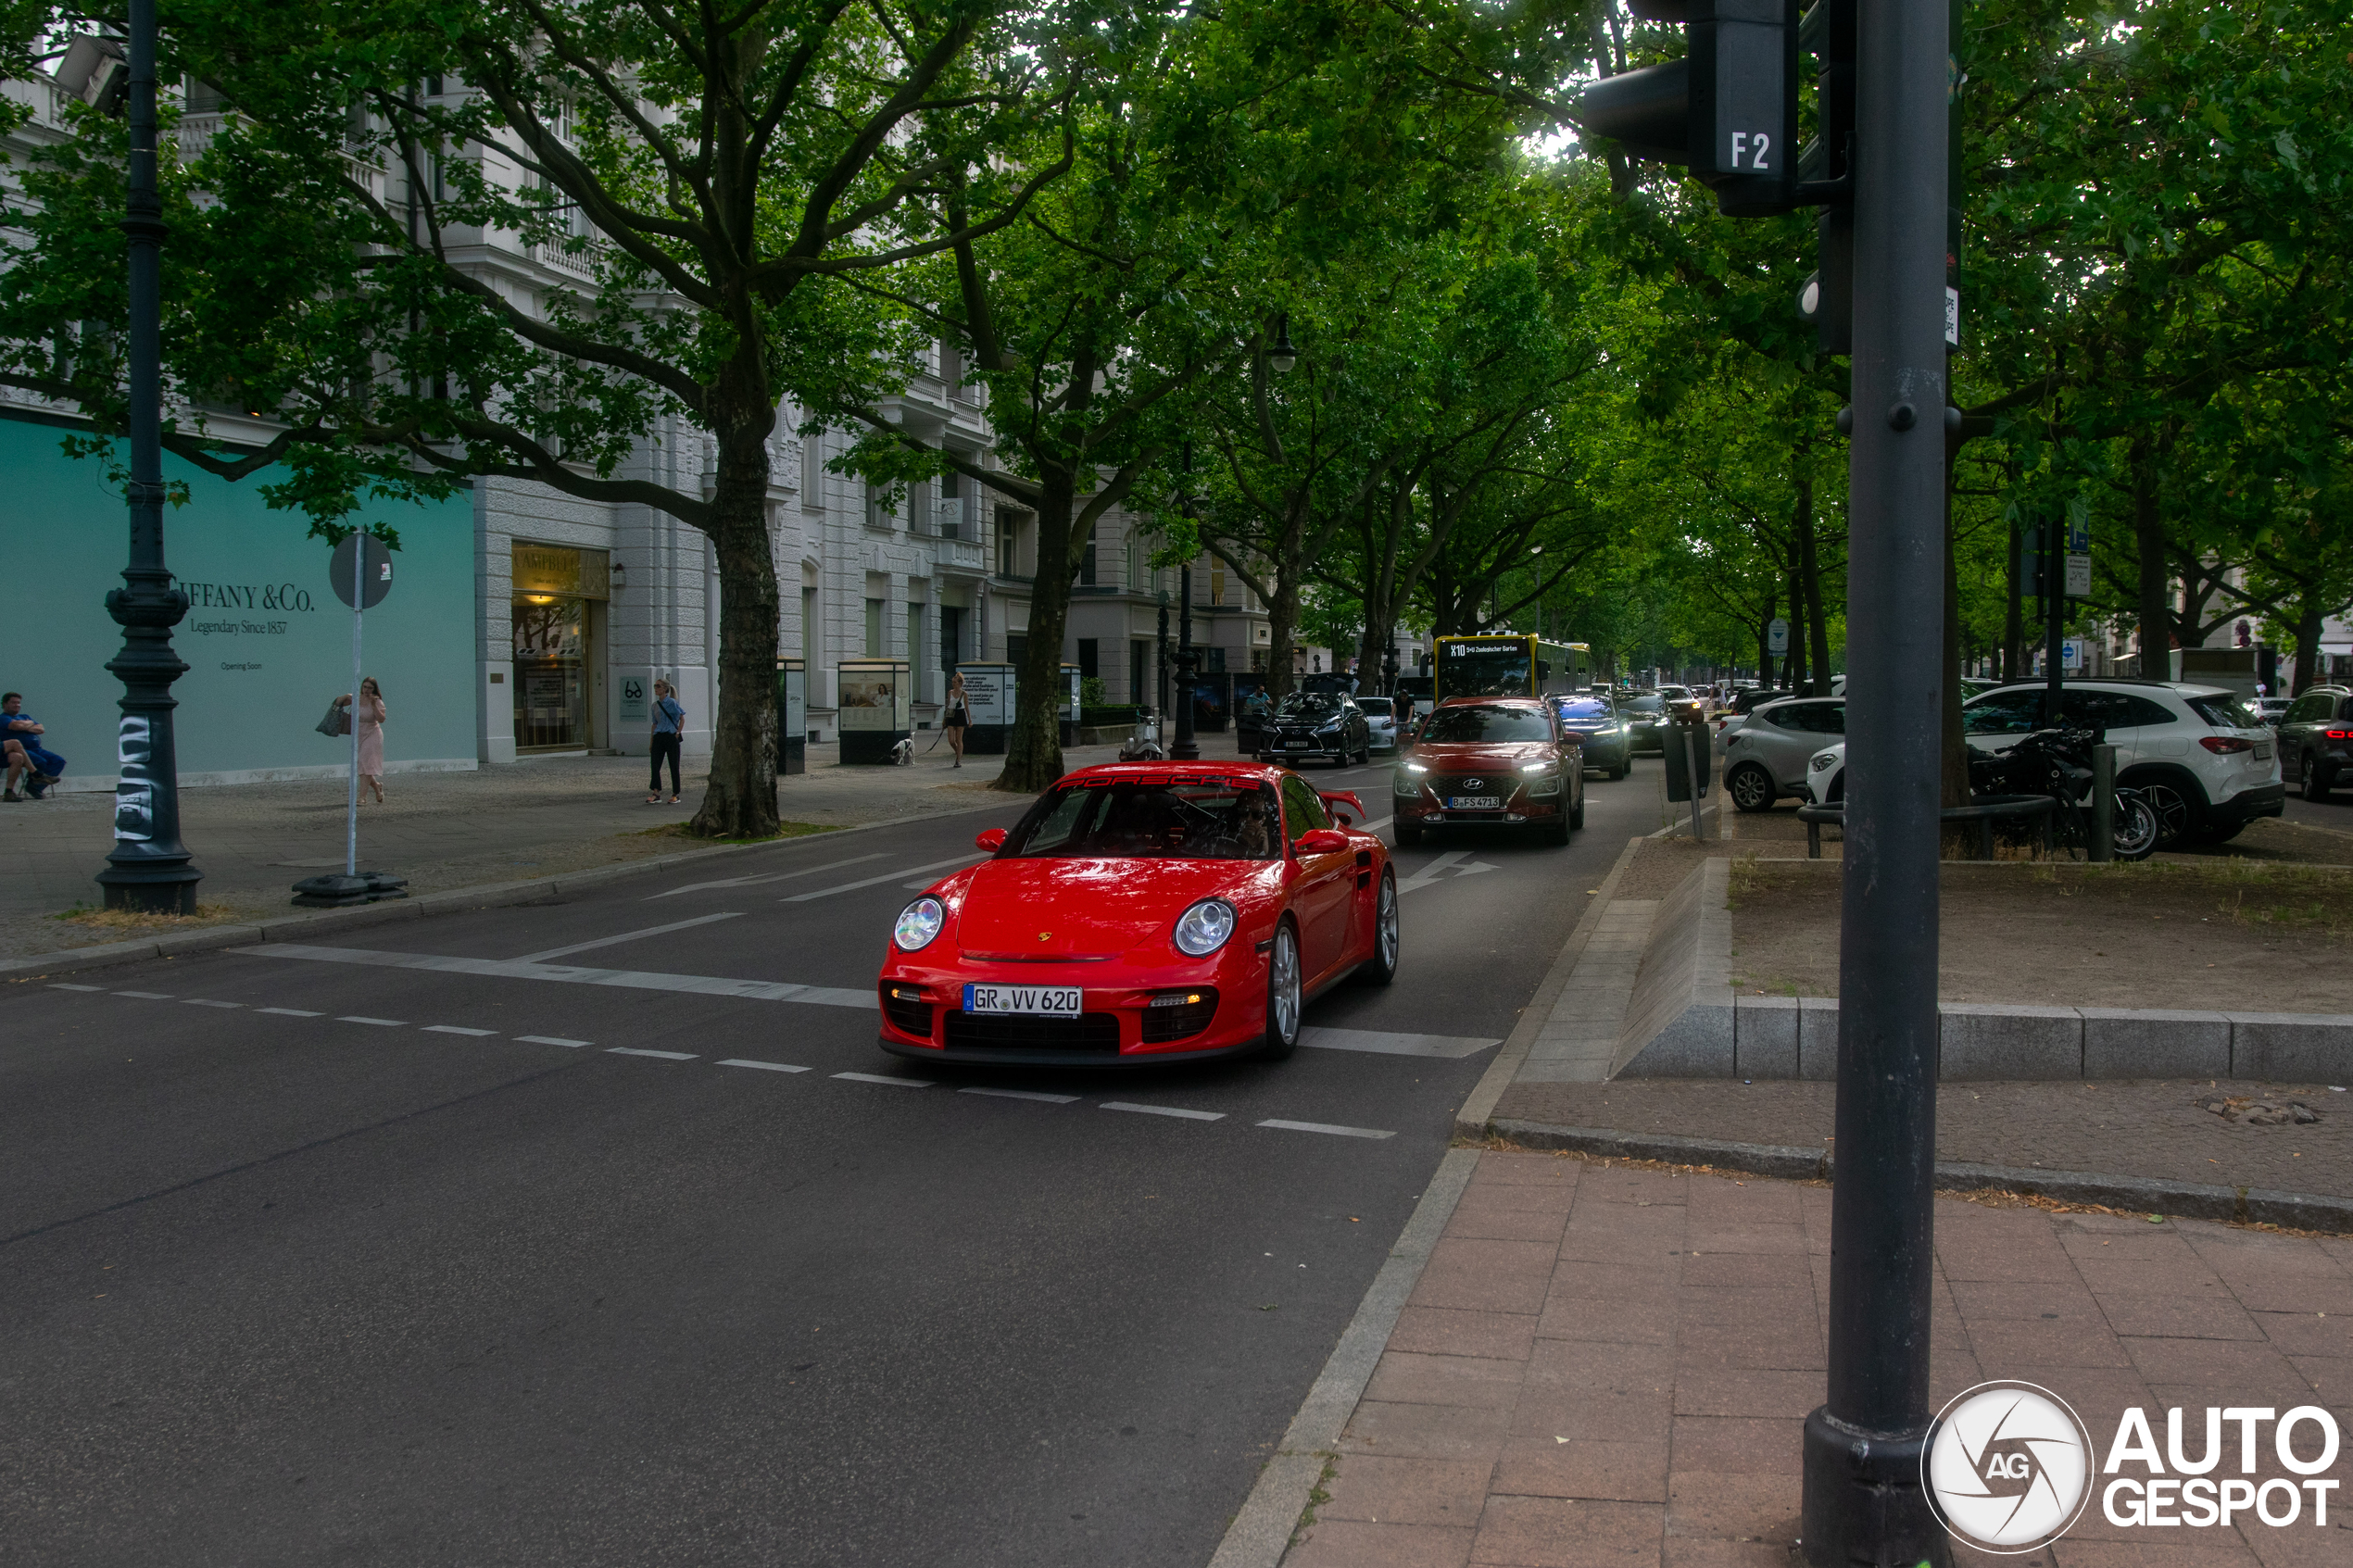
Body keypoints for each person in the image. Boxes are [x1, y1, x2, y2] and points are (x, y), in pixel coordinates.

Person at [2, 692, 66, 801]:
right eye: (13, 703)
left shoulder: (25, 716)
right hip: (21, 750)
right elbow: (16, 726)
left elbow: (41, 729)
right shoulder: (3, 718)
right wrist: (30, 724)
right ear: (4, 704)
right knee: (40, 761)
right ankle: (36, 779)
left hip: (36, 749)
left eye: (18, 703)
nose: (17, 705)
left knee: (58, 761)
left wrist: (25, 725)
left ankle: (35, 787)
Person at [335, 678, 387, 804]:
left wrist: (374, 705)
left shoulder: (377, 701)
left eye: (370, 688)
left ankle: (362, 797)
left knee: (366, 763)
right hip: (359, 733)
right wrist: (347, 696)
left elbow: (381, 719)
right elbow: (337, 703)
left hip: (373, 733)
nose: (367, 690)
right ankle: (377, 786)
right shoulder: (356, 698)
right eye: (365, 687)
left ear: (374, 689)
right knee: (362, 765)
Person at [648, 678, 685, 803]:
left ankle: (676, 793)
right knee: (655, 765)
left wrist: (678, 732)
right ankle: (656, 792)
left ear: (664, 688)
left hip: (670, 736)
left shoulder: (672, 703)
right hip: (659, 736)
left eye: (658, 686)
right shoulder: (655, 705)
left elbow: (681, 718)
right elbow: (654, 724)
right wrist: (651, 741)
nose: (656, 688)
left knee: (673, 765)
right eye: (655, 686)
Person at [941, 671, 970, 769]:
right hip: (951, 715)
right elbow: (948, 705)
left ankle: (958, 760)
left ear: (960, 683)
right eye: (952, 682)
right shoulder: (950, 692)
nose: (953, 684)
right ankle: (958, 751)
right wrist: (945, 719)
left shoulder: (964, 694)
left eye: (955, 682)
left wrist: (970, 720)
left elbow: (966, 707)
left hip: (960, 715)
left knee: (958, 739)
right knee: (951, 740)